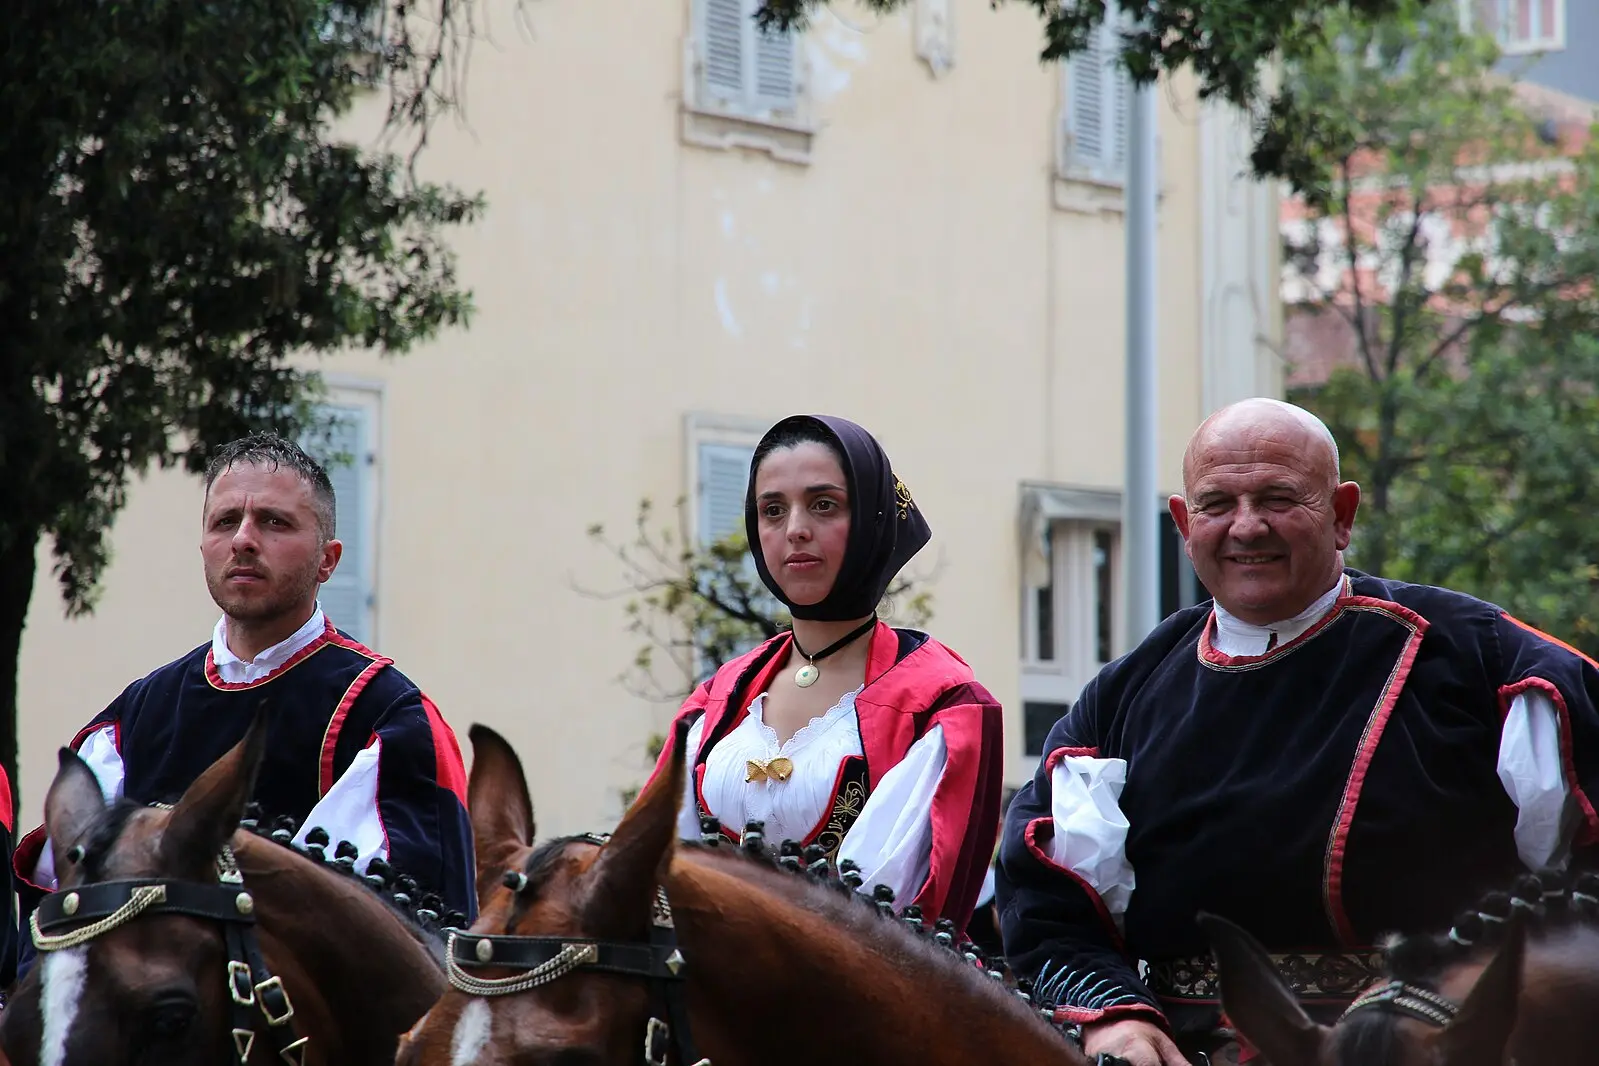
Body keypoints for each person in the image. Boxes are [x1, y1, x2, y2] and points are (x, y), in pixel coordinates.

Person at [997, 398, 1599, 1066]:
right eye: (1216, 503)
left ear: (1341, 515)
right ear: (1182, 521)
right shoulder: (1121, 698)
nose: (1246, 527)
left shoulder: (1486, 664)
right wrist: (1113, 1018)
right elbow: (1046, 902)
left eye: (1279, 498)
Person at [13, 433, 476, 962]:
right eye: (225, 521)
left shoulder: (389, 719)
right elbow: (61, 921)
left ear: (328, 560)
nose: (243, 540)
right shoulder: (135, 716)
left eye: (275, 522)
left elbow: (397, 946)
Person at [653, 414, 1005, 932]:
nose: (795, 529)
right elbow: (654, 866)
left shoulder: (942, 706)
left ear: (872, 518)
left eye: (824, 505)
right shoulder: (717, 698)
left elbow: (889, 925)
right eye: (772, 510)